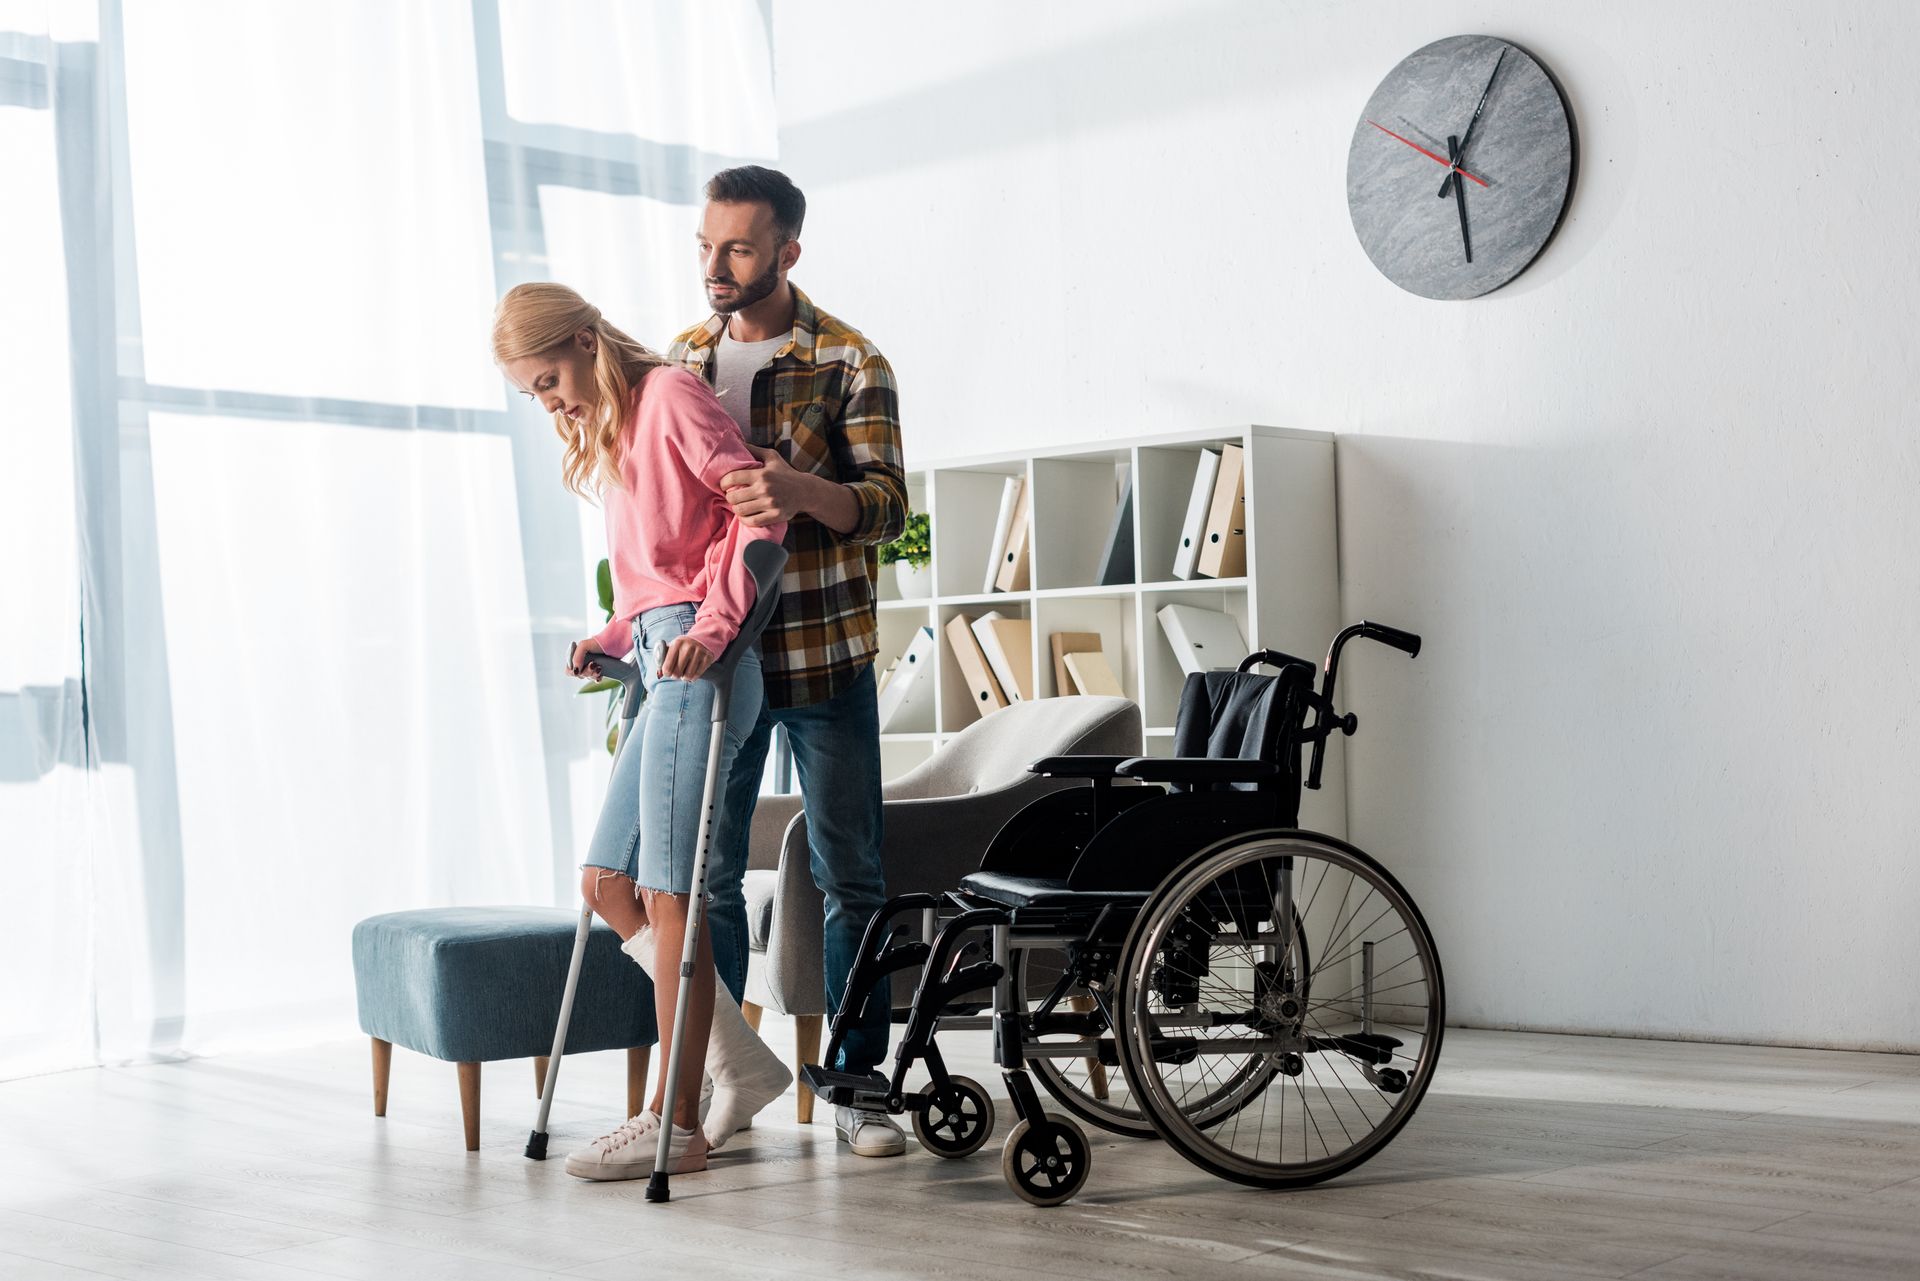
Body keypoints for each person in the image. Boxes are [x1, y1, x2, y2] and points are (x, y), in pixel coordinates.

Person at [492, 282, 795, 1180]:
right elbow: (661, 576)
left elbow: (757, 517)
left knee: (672, 894)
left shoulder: (669, 397)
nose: (552, 405)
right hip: (662, 654)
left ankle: (676, 1120)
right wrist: (613, 637)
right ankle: (741, 1064)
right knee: (604, 881)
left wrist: (713, 629)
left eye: (550, 381)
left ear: (586, 342)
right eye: (534, 394)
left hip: (704, 659)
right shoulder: (622, 427)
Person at [669, 166, 910, 1158]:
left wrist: (803, 491)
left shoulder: (851, 359)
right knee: (709, 876)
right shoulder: (680, 361)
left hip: (823, 657)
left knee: (851, 876)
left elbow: (888, 507)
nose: (716, 265)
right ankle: (727, 1078)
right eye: (706, 245)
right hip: (722, 661)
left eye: (737, 247)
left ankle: (857, 1087)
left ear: (787, 251)